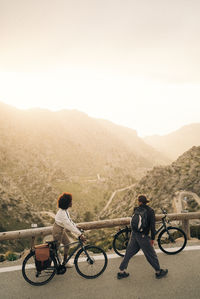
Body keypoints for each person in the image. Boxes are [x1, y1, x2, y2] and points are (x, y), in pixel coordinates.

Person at [117, 194, 168, 279]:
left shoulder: (136, 209)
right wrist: (152, 238)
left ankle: (121, 271)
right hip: (143, 236)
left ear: (139, 202)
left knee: (128, 253)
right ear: (146, 202)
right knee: (151, 254)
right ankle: (158, 272)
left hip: (134, 234)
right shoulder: (150, 211)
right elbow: (152, 226)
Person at [52, 192, 86, 268]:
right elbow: (69, 225)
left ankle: (64, 262)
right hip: (58, 231)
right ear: (67, 203)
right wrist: (80, 234)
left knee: (67, 244)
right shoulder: (63, 213)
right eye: (70, 201)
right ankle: (49, 264)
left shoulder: (64, 211)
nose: (71, 202)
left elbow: (70, 221)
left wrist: (76, 227)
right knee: (55, 250)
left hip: (60, 229)